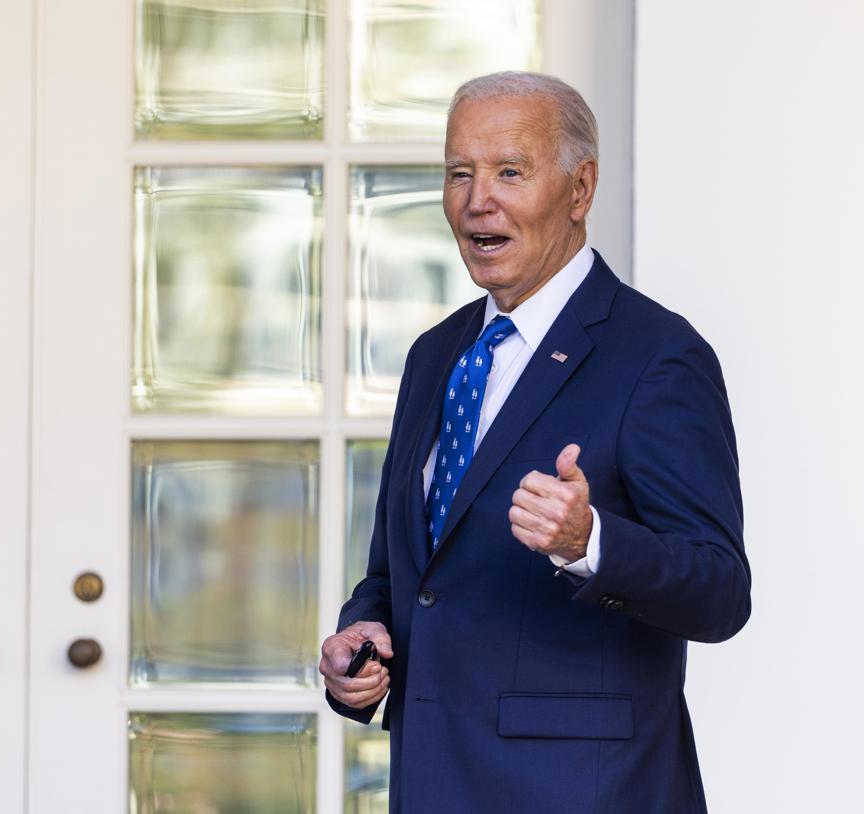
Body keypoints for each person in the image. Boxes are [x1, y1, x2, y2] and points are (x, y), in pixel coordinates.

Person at [320, 71, 750, 813]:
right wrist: (359, 639)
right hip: (432, 782)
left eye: (509, 172)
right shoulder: (437, 355)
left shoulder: (657, 356)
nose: (476, 200)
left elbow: (720, 593)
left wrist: (590, 541)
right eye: (460, 173)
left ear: (579, 190)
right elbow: (408, 573)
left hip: (585, 794)